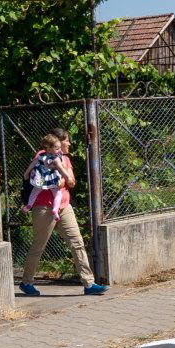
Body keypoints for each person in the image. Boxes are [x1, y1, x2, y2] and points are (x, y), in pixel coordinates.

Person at [18, 127, 108, 297]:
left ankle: (89, 283)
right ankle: (26, 282)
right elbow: (36, 177)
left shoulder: (65, 159)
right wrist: (55, 179)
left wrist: (65, 179)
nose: (69, 144)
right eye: (66, 140)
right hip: (43, 207)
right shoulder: (41, 156)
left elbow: (72, 182)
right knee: (39, 245)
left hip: (64, 206)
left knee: (77, 243)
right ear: (56, 143)